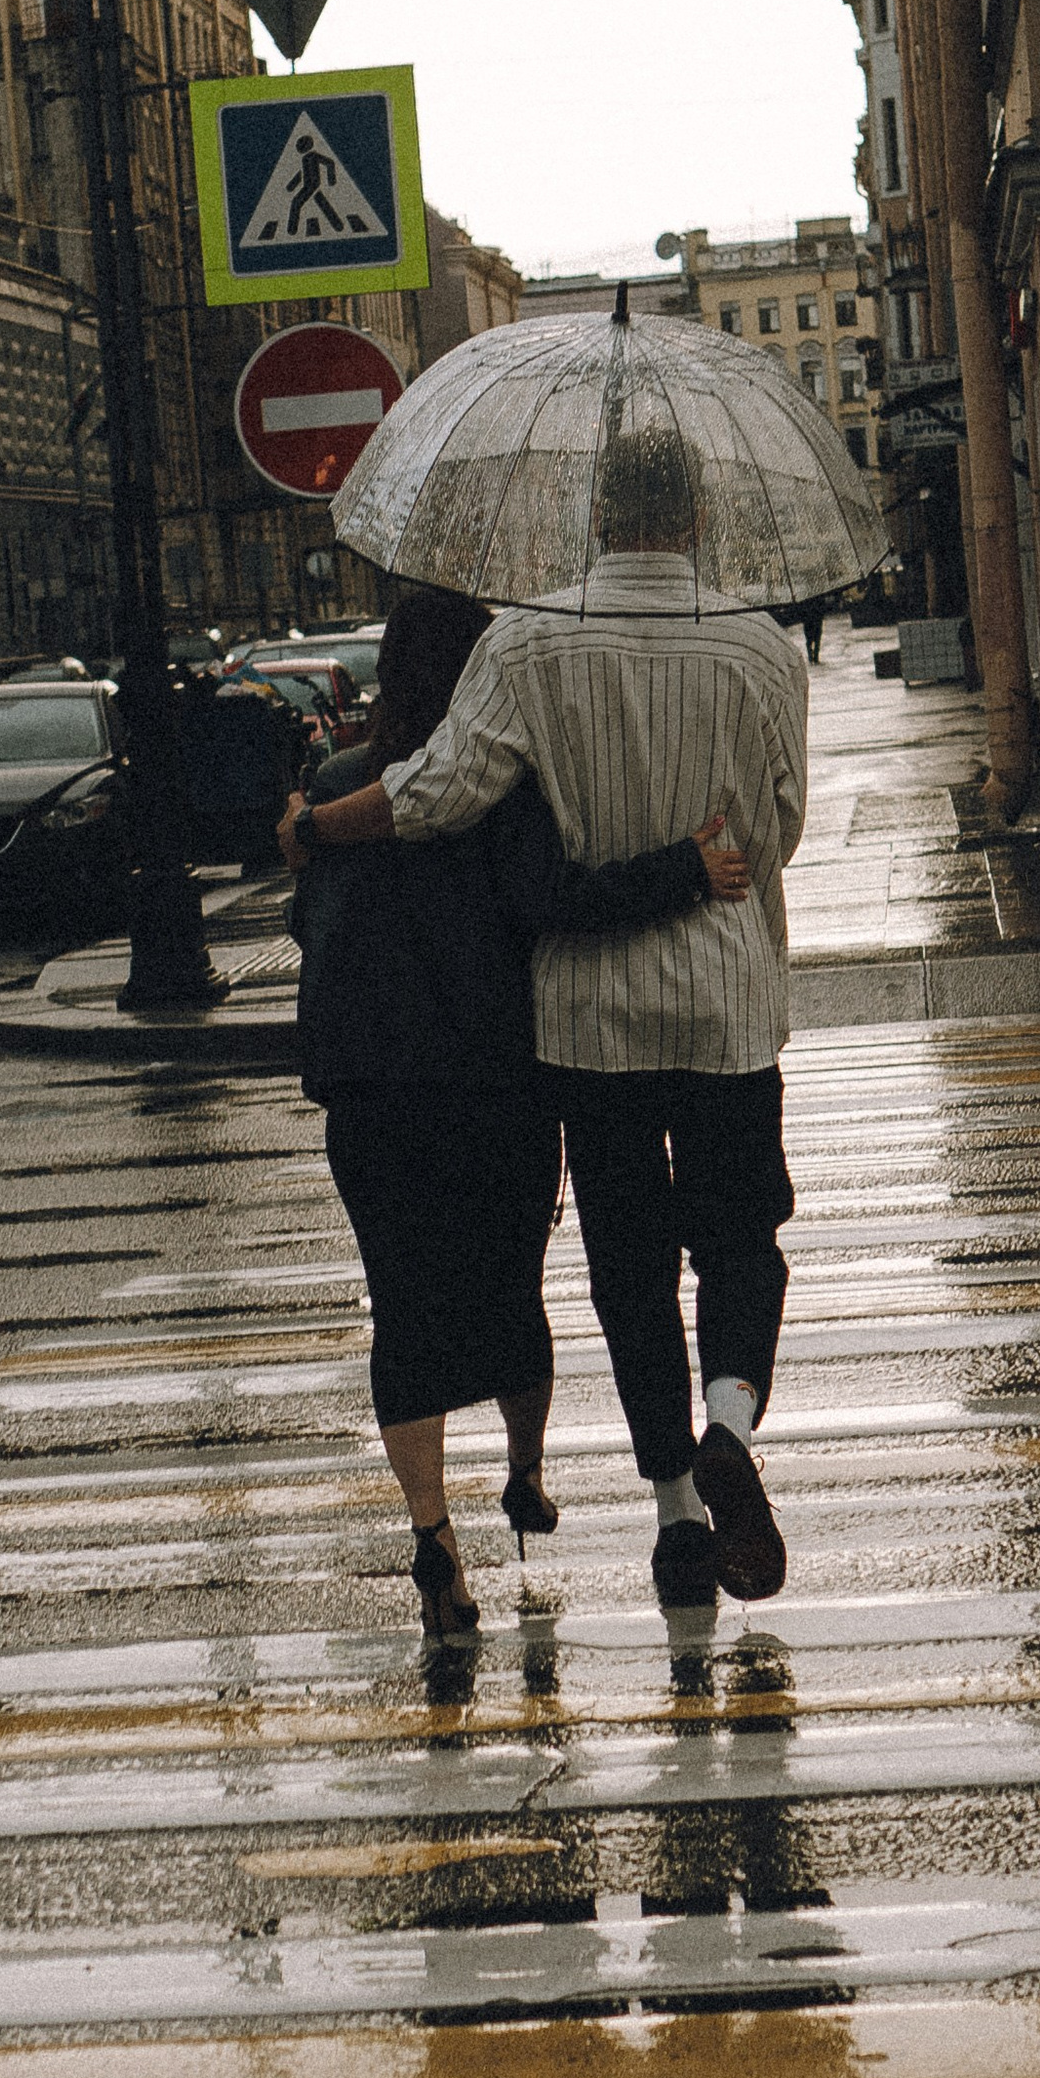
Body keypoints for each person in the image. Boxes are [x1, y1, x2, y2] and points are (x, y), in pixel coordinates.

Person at [284, 428, 807, 1609]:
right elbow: (777, 827)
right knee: (738, 1232)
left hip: (588, 1017)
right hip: (725, 1004)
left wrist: (319, 824)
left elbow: (439, 790)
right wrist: (708, 862)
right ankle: (729, 1423)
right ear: (695, 520)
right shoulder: (762, 649)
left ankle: (676, 1508)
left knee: (628, 1265)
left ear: (595, 520)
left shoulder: (526, 643)